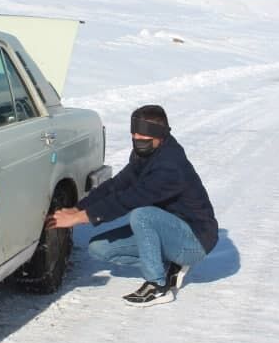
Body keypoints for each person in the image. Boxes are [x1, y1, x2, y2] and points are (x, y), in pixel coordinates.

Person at [47, 104, 218, 307]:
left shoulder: (170, 166)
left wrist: (79, 218)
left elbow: (128, 199)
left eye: (143, 138)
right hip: (168, 229)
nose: (138, 141)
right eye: (134, 136)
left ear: (160, 135)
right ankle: (170, 264)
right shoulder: (146, 153)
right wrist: (78, 208)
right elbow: (117, 185)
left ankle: (157, 286)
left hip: (194, 240)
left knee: (142, 215)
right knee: (99, 248)